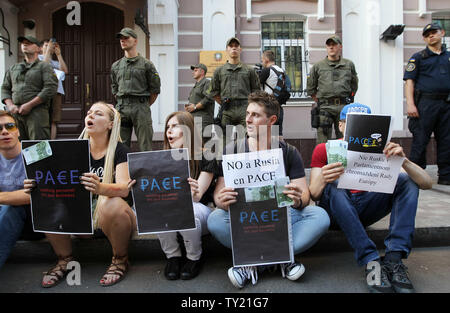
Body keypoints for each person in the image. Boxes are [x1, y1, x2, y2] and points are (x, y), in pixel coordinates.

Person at [207, 91, 330, 289]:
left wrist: (297, 198)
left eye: (255, 115)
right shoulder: (232, 150)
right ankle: (282, 259)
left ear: (271, 120)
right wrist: (222, 199)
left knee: (320, 216)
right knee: (214, 219)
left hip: (280, 216)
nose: (248, 119)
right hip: (245, 219)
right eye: (248, 113)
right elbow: (219, 195)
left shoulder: (288, 151)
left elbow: (305, 197)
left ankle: (252, 262)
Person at [309, 103, 433, 293]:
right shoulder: (325, 149)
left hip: (367, 208)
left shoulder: (382, 150)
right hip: (337, 212)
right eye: (352, 123)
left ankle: (394, 259)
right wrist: (325, 178)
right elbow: (314, 194)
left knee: (407, 180)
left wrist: (404, 161)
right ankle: (371, 261)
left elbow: (426, 183)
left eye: (365, 123)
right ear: (341, 125)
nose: (359, 127)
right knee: (334, 186)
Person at [25, 101, 136, 287]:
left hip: (109, 222)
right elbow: (30, 154)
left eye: (98, 114)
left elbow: (124, 188)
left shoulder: (120, 150)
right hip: (79, 222)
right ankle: (64, 259)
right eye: (89, 112)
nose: (90, 116)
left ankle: (120, 259)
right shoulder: (70, 148)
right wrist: (34, 183)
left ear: (111, 124)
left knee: (112, 203)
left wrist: (100, 188)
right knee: (45, 196)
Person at [157, 111, 217, 280]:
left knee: (188, 208)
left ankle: (194, 257)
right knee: (158, 208)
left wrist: (192, 191)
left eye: (175, 126)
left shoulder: (206, 155)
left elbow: (197, 197)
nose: (169, 131)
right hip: (171, 211)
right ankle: (173, 257)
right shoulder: (162, 158)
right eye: (168, 127)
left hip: (200, 210)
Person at [404, 22, 450, 185]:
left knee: (446, 140)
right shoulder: (418, 57)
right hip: (425, 104)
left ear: (442, 33)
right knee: (420, 140)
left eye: (434, 32)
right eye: (427, 34)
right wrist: (410, 104)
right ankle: (415, 175)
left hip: (446, 104)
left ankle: (445, 175)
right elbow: (409, 81)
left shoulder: (448, 57)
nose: (431, 35)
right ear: (424, 38)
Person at [111, 27, 161, 152]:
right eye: (121, 38)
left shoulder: (146, 64)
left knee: (145, 145)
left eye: (126, 38)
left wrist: (144, 105)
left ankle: (147, 171)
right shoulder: (116, 65)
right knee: (120, 145)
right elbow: (114, 87)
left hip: (141, 107)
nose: (123, 40)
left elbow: (155, 89)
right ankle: (122, 171)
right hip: (122, 107)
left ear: (135, 41)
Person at [1, 36, 58, 140]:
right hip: (15, 113)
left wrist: (30, 105)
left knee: (38, 148)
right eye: (23, 43)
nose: (25, 44)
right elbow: (5, 88)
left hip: (37, 113)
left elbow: (50, 88)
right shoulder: (14, 68)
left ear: (38, 48)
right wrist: (10, 105)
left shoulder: (45, 67)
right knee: (16, 144)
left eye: (29, 43)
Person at [306, 35, 358, 144]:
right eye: (329, 45)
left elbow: (354, 84)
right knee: (322, 141)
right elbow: (311, 87)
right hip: (325, 107)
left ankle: (345, 161)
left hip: (343, 107)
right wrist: (321, 100)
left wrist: (349, 97)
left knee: (345, 139)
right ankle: (324, 161)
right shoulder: (318, 66)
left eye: (334, 45)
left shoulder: (348, 65)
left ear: (340, 47)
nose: (331, 47)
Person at [208, 37, 261, 133]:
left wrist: (251, 106)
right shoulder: (219, 71)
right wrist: (223, 103)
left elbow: (256, 91)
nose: (234, 48)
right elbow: (213, 91)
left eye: (236, 46)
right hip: (227, 110)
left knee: (248, 136)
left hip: (245, 108)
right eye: (231, 46)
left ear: (240, 49)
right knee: (225, 139)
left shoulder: (249, 70)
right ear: (226, 50)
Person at [0, 111, 31, 269]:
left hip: (33, 220)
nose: (5, 131)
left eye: (10, 126)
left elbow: (32, 196)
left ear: (18, 131)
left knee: (9, 208)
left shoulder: (34, 154)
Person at [39, 38, 69, 140]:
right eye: (46, 45)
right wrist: (47, 52)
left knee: (54, 120)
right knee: (43, 118)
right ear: (40, 48)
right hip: (42, 91)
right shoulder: (38, 59)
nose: (50, 47)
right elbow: (43, 66)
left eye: (51, 46)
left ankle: (52, 143)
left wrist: (59, 54)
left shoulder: (55, 62)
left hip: (56, 92)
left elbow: (65, 70)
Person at [259, 50, 290, 137]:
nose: (262, 62)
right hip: (279, 107)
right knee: (278, 136)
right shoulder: (282, 70)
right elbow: (288, 85)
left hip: (268, 107)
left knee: (266, 135)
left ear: (266, 59)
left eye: (262, 60)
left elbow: (257, 84)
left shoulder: (267, 70)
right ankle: (279, 150)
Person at [185, 64, 215, 144]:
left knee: (203, 145)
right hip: (195, 120)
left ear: (202, 72)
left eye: (196, 70)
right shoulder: (197, 85)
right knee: (196, 145)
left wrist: (194, 107)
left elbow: (209, 98)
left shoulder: (207, 83)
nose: (193, 72)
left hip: (203, 121)